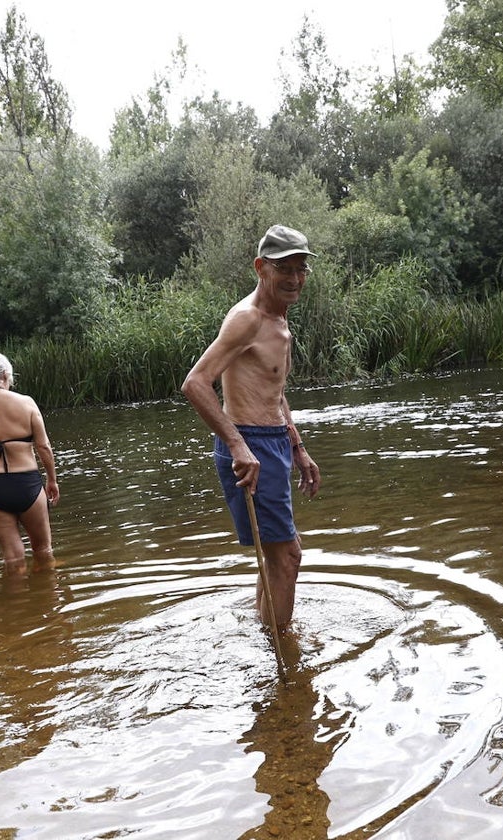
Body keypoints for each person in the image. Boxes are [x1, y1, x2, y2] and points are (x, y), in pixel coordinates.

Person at [181, 224, 322, 633]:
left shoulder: (278, 319)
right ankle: (284, 663)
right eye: (285, 269)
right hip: (251, 447)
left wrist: (297, 447)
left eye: (301, 269)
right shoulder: (247, 319)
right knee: (289, 558)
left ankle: (265, 640)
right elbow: (195, 382)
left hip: (273, 444)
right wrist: (239, 446)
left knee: (275, 558)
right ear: (261, 268)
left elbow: (273, 391)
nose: (295, 279)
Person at [0, 350, 60, 572]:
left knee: (13, 560)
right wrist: (52, 480)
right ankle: (46, 604)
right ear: (5, 375)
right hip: (27, 484)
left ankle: (14, 604)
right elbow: (43, 447)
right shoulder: (26, 403)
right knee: (43, 551)